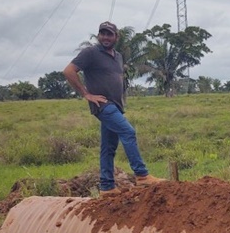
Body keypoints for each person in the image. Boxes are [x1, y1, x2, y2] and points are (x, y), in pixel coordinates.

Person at [63, 20, 164, 196]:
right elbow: (69, 71)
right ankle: (141, 175)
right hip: (103, 105)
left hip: (116, 106)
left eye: (109, 34)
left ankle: (107, 186)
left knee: (108, 147)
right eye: (102, 33)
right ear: (98, 35)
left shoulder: (118, 56)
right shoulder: (90, 53)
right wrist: (86, 94)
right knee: (128, 132)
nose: (105, 37)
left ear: (116, 37)